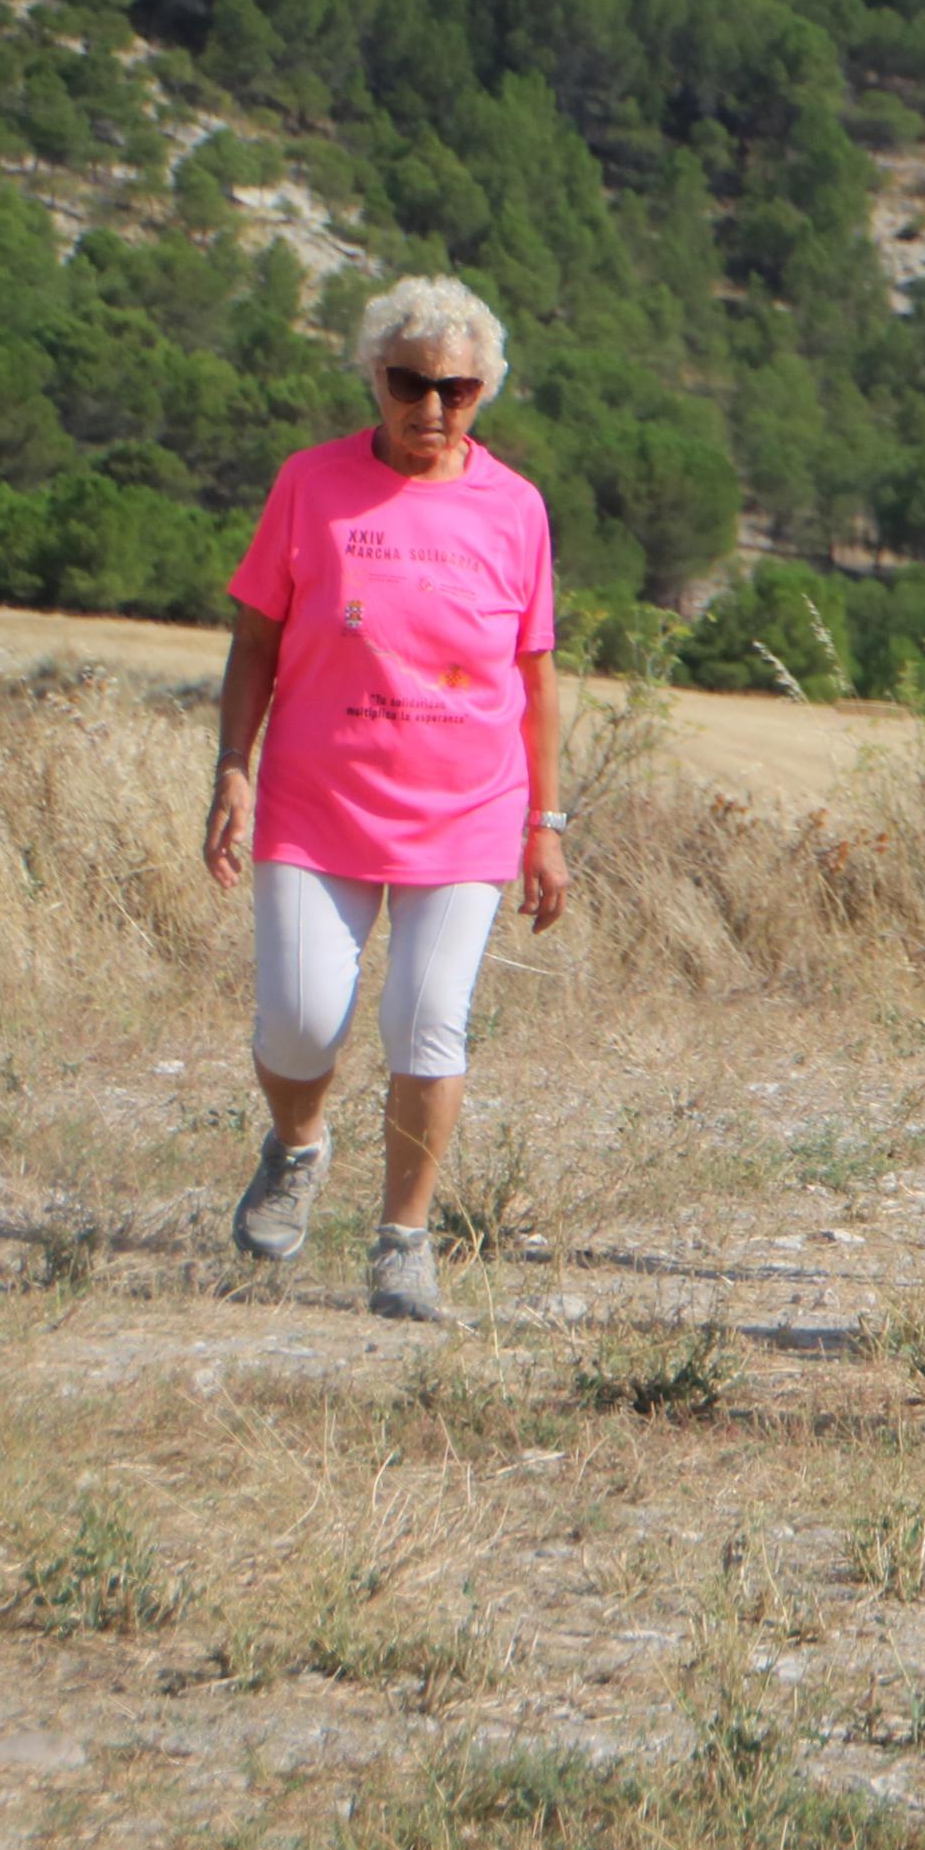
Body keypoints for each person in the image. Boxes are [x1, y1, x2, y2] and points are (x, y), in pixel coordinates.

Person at [204, 275, 566, 1324]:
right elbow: (256, 639)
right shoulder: (308, 485)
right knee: (304, 1020)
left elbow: (534, 674)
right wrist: (232, 762)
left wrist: (546, 823)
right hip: (316, 800)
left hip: (467, 810)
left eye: (456, 387)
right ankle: (299, 1145)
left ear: (485, 391)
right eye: (410, 382)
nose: (432, 407)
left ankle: (403, 1241)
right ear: (375, 376)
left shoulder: (516, 507)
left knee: (426, 1021)